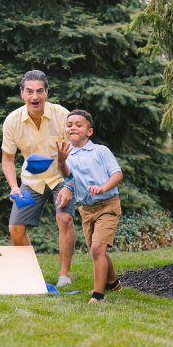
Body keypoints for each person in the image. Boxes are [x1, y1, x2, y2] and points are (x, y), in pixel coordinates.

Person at [2, 70, 76, 288]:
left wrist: (70, 185)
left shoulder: (63, 115)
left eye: (39, 91)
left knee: (65, 219)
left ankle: (64, 275)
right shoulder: (12, 121)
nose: (35, 97)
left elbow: (79, 152)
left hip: (62, 175)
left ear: (46, 93)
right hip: (31, 180)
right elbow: (7, 159)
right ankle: (31, 273)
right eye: (30, 92)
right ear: (22, 94)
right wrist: (14, 187)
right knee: (15, 227)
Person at [56, 109, 123, 304]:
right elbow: (67, 176)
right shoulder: (66, 154)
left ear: (89, 131)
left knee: (96, 249)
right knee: (97, 250)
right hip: (86, 209)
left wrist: (103, 187)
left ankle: (98, 295)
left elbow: (117, 174)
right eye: (69, 125)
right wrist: (60, 160)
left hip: (108, 205)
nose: (73, 128)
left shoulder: (100, 151)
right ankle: (113, 283)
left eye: (79, 125)